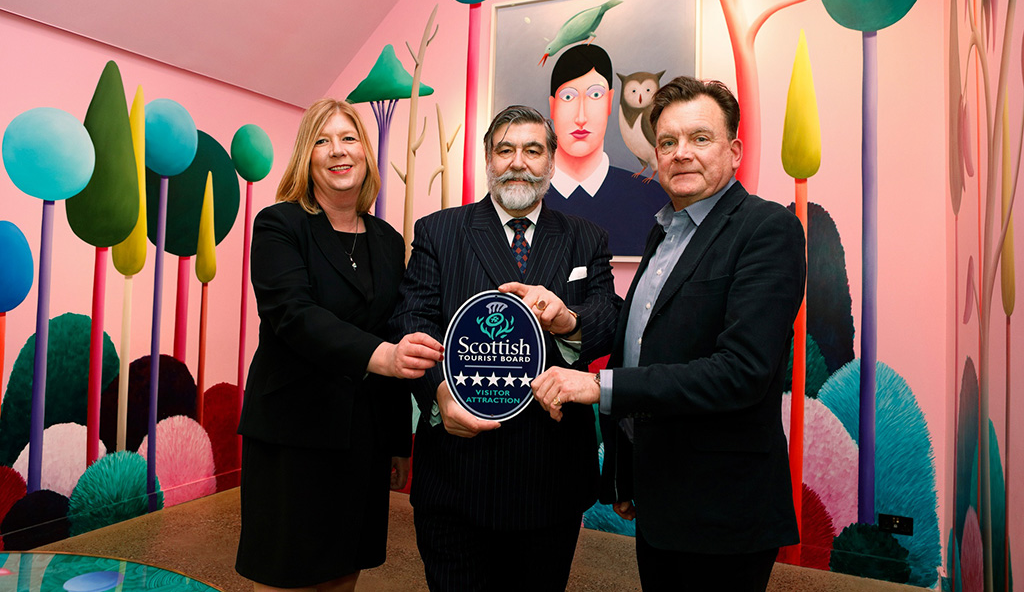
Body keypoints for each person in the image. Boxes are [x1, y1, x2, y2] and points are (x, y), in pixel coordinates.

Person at [531, 77, 806, 591]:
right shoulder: (665, 229)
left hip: (722, 505)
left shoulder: (766, 230)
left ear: (735, 150)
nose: (681, 154)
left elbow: (741, 373)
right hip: (659, 494)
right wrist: (627, 470)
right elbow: (640, 347)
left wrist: (598, 389)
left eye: (700, 138)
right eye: (668, 141)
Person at [390, 105, 622, 592]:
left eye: (533, 150)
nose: (519, 162)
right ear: (488, 159)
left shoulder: (587, 237)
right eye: (506, 150)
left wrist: (567, 319)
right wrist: (439, 397)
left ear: (551, 160)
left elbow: (609, 315)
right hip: (458, 472)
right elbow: (412, 319)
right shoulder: (440, 232)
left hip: (551, 474)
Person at [235, 98, 444, 592]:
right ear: (307, 157)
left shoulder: (389, 241)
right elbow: (294, 316)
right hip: (293, 433)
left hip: (363, 439)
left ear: (365, 153)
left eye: (348, 139)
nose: (337, 151)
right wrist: (384, 358)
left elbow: (395, 330)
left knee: (345, 567)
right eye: (322, 141)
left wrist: (398, 442)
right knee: (289, 572)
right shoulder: (279, 225)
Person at [544, 44, 667, 257]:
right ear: (552, 106)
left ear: (610, 102)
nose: (581, 117)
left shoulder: (654, 200)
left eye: (595, 95)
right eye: (568, 97)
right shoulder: (526, 200)